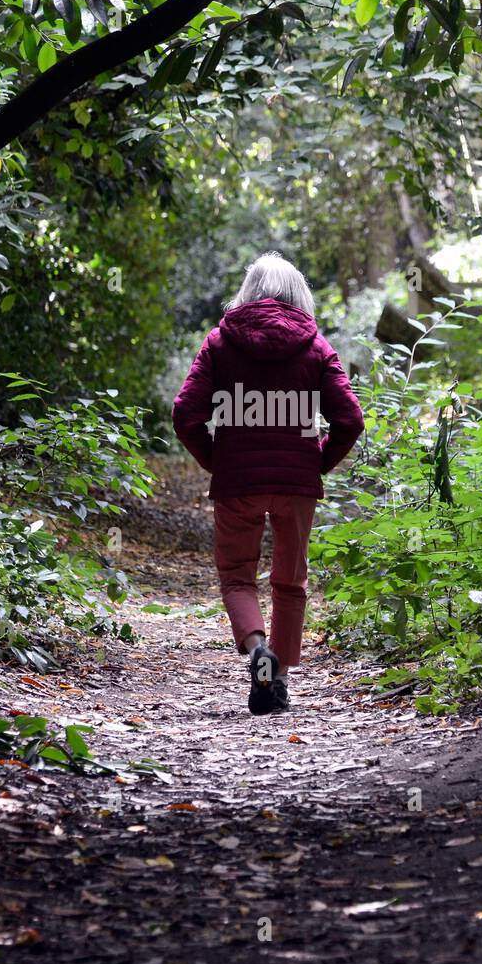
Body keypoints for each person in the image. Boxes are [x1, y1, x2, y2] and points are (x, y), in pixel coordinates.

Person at [173, 253, 364, 714]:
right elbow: (350, 419)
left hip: (238, 478)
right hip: (296, 481)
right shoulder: (315, 346)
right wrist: (318, 462)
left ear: (248, 291)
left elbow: (185, 414)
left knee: (237, 575)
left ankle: (257, 645)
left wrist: (217, 459)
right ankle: (275, 673)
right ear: (299, 292)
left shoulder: (220, 342)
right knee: (290, 581)